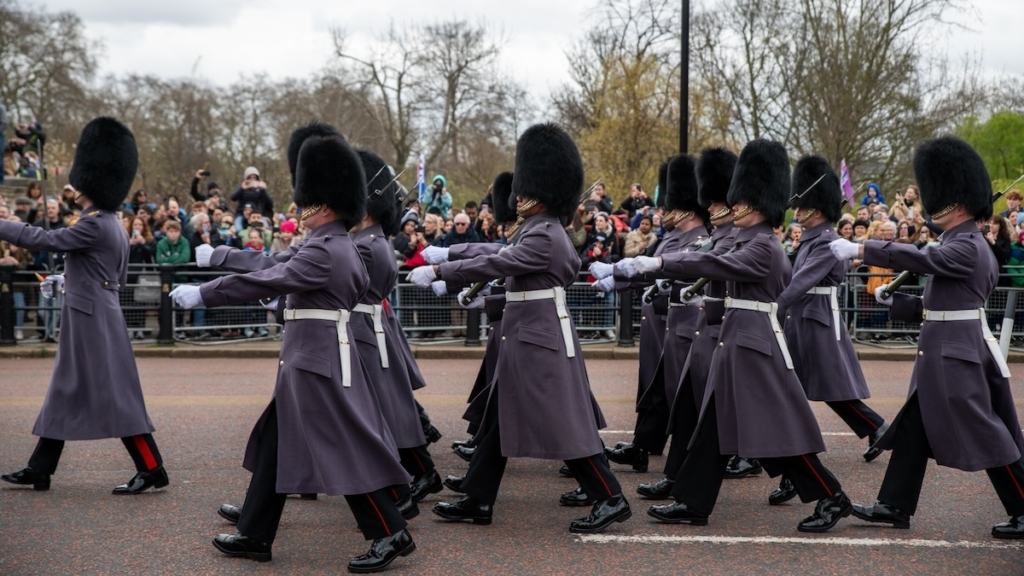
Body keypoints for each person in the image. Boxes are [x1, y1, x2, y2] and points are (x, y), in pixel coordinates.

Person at [173, 130, 418, 571]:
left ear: (322, 205)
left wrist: (204, 294)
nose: (299, 208)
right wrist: (230, 260)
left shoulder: (327, 249)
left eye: (306, 201)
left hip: (316, 362)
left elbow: (266, 279)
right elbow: (278, 269)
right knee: (276, 442)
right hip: (312, 357)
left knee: (343, 446)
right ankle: (254, 531)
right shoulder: (333, 245)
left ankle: (390, 529)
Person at [413, 123, 631, 534]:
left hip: (539, 339)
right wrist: (452, 252)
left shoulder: (546, 234)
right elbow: (495, 250)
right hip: (526, 334)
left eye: (528, 190)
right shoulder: (538, 228)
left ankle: (610, 497)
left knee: (562, 422)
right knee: (496, 420)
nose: (519, 197)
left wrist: (443, 268)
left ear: (545, 192)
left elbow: (498, 263)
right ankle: (478, 499)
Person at [625, 139, 851, 533]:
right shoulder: (748, 238)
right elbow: (712, 258)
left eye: (744, 201)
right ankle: (694, 502)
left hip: (755, 345)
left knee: (779, 431)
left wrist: (659, 260)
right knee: (713, 426)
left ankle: (831, 496)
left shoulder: (763, 246)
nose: (735, 207)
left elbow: (712, 262)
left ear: (760, 204)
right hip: (737, 341)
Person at [829, 136, 1024, 539]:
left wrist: (863, 248)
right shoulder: (960, 240)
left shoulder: (968, 244)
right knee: (915, 427)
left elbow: (923, 258)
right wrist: (895, 301)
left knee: (986, 431)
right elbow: (939, 304)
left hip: (956, 354)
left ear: (960, 204)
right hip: (942, 350)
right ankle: (894, 504)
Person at [0, 117, 169, 495]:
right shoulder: (111, 223)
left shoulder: (93, 224)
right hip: (93, 311)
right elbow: (108, 273)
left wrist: (4, 224)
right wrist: (68, 281)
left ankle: (153, 467)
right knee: (64, 390)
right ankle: (39, 467)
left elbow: (42, 238)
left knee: (115, 395)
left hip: (90, 318)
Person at [769, 155, 890, 505]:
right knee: (794, 390)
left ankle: (874, 430)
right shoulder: (811, 237)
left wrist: (774, 308)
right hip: (804, 317)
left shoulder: (824, 240)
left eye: (802, 206)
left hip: (816, 317)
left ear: (816, 210)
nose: (797, 211)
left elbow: (802, 281)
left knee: (824, 388)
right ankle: (871, 431)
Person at [597, 155, 710, 475]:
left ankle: (694, 454)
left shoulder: (700, 239)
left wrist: (621, 276)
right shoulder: (671, 237)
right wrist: (615, 279)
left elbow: (675, 268)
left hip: (686, 323)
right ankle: (645, 446)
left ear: (685, 208)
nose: (661, 212)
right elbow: (647, 270)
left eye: (668, 207)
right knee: (656, 390)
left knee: (683, 393)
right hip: (663, 323)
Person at [354, 149, 442, 503]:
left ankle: (417, 475)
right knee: (388, 407)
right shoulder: (368, 239)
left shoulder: (369, 244)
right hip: (366, 327)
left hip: (366, 330)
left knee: (389, 408)